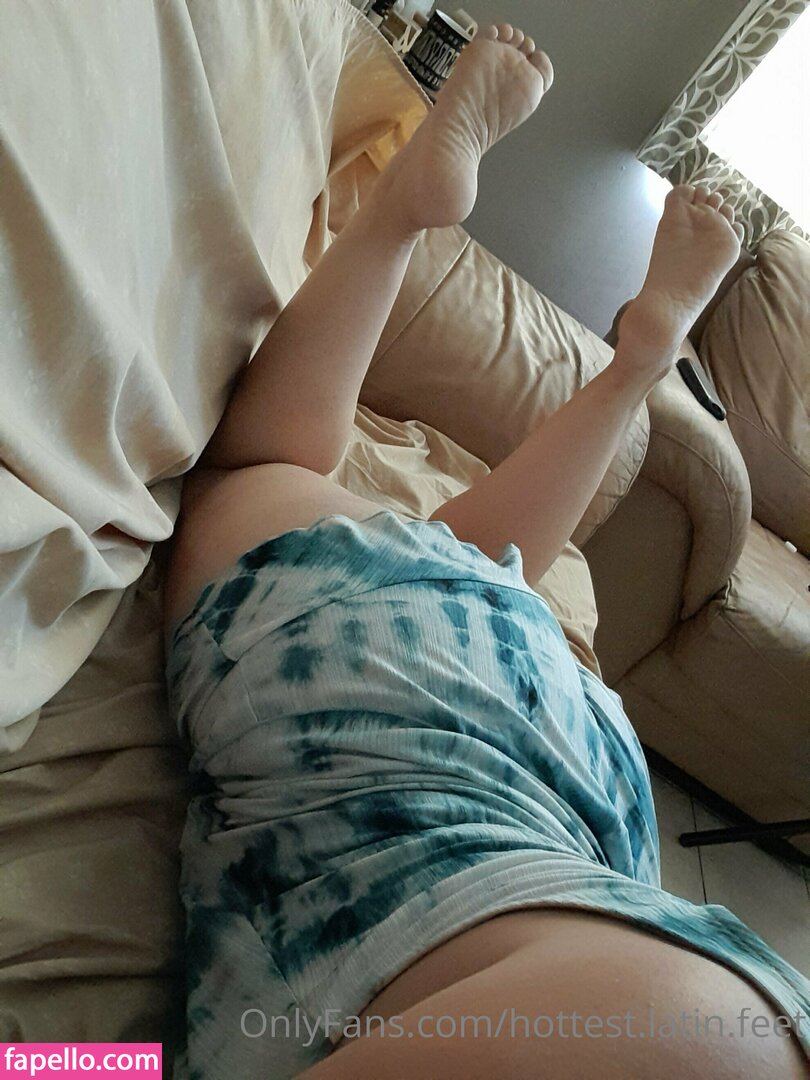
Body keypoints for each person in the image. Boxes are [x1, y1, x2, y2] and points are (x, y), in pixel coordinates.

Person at [163, 23, 809, 1079]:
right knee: (255, 467)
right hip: (453, 771)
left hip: (576, 798)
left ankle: (632, 360)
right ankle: (414, 220)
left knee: (476, 576)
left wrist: (44, 1064)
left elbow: (100, 1063)